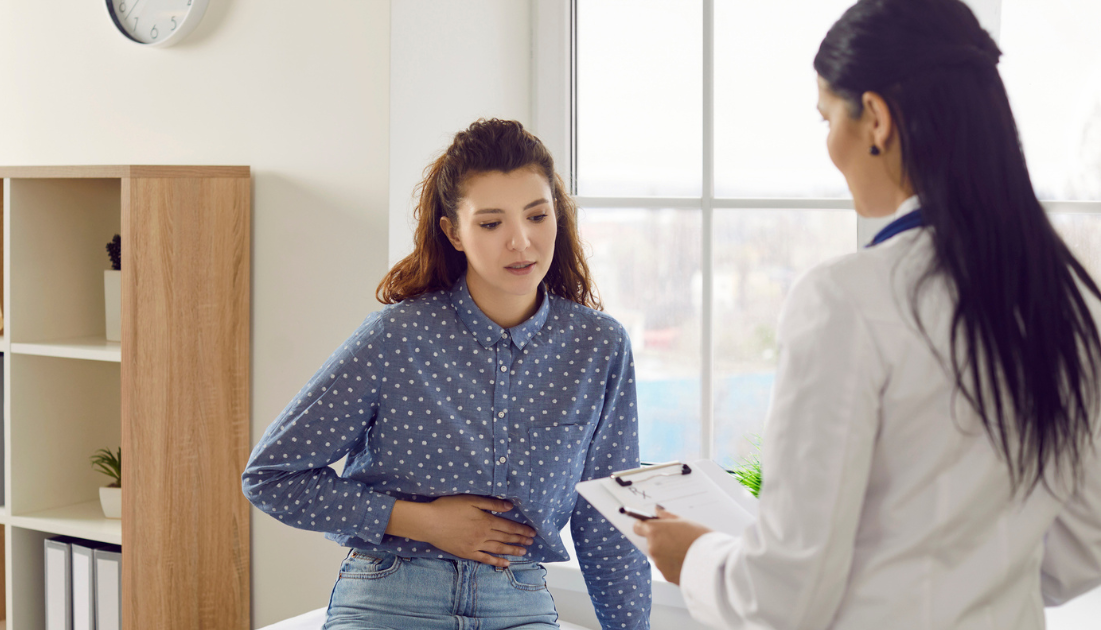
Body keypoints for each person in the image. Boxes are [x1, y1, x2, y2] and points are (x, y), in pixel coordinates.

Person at [634, 0, 1101, 628]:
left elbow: (782, 599)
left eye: (828, 118)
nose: (829, 145)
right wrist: (971, 572)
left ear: (876, 118)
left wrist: (692, 556)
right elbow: (1084, 543)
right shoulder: (1069, 295)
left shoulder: (845, 300)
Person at [243, 119, 651, 630]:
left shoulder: (598, 346)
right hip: (389, 595)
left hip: (518, 601)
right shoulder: (397, 337)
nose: (521, 242)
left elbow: (607, 521)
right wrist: (423, 521)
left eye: (537, 216)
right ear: (453, 231)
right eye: (490, 223)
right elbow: (272, 477)